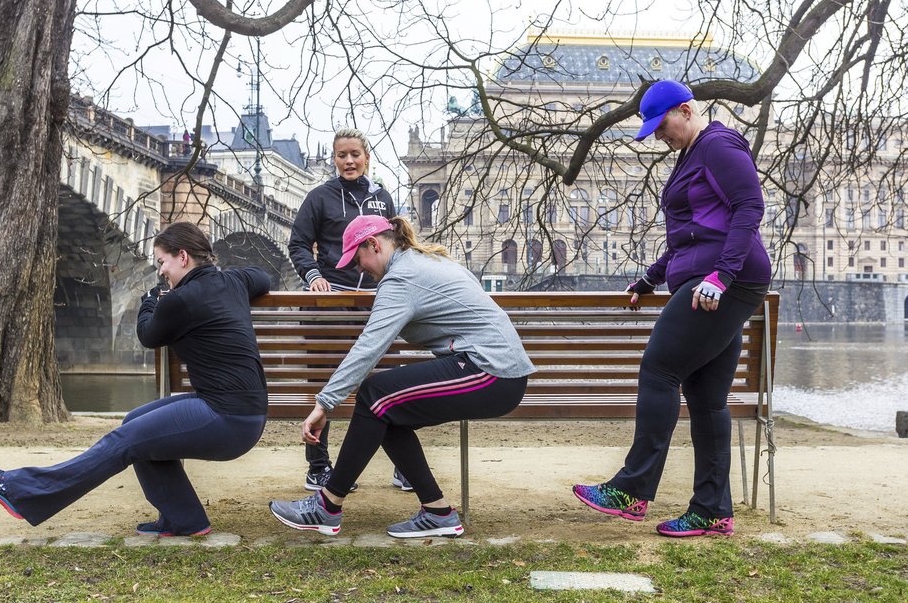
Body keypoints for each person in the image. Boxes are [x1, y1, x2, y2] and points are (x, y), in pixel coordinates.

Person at [0, 222, 271, 537]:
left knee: (124, 441)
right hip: (244, 412)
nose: (161, 272)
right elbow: (261, 277)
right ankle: (184, 519)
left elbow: (147, 334)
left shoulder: (179, 300)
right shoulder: (234, 281)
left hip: (226, 417)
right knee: (133, 422)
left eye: (162, 262)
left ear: (182, 256)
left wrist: (150, 300)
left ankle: (23, 492)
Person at [572, 80, 772, 538]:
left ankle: (632, 489)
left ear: (686, 110)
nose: (659, 137)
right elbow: (691, 236)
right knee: (706, 400)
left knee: (658, 369)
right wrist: (651, 277)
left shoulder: (718, 145)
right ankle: (711, 511)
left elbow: (749, 207)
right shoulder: (692, 153)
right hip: (714, 281)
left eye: (661, 127)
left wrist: (720, 276)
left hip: (724, 283)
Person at [270, 215, 536, 537]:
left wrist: (324, 404)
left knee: (374, 396)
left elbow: (368, 348)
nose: (359, 268)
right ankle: (437, 512)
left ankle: (327, 506)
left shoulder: (402, 278)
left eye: (358, 259)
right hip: (492, 369)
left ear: (374, 244)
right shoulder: (424, 260)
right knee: (383, 409)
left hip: (491, 371)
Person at [287, 128, 400, 493]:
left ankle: (402, 465)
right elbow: (299, 244)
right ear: (334, 160)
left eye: (355, 154)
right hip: (330, 300)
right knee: (324, 382)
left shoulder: (382, 198)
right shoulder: (319, 197)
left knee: (383, 385)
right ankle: (318, 466)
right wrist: (313, 274)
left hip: (375, 302)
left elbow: (395, 248)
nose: (348, 161)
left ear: (367, 157)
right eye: (341, 155)